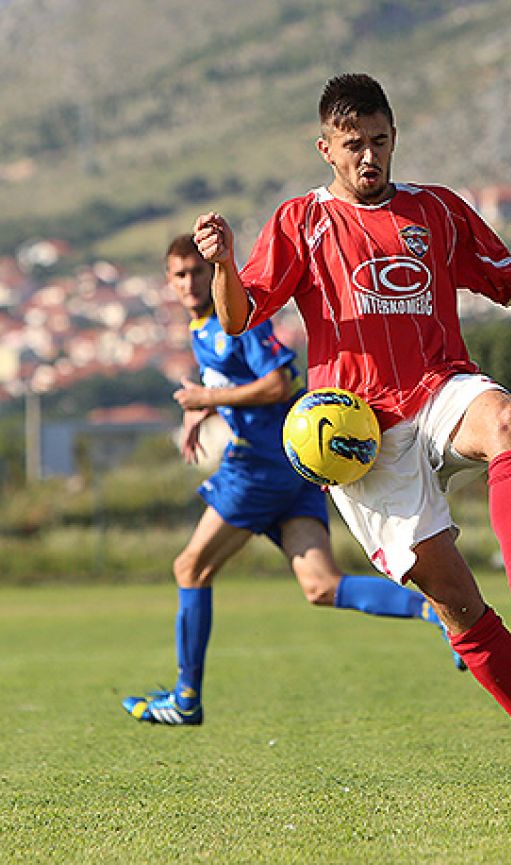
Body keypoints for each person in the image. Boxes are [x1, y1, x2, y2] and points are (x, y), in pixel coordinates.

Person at [193, 73, 511, 807]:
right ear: (326, 149)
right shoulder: (300, 221)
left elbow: (510, 286)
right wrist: (224, 262)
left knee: (506, 417)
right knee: (457, 609)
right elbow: (237, 317)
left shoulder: (437, 209)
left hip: (439, 387)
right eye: (353, 146)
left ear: (393, 136)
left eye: (380, 141)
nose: (369, 157)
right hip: (358, 439)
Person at [122, 234, 464, 729]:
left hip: (258, 468)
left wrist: (208, 401)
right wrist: (206, 406)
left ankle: (186, 697)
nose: (190, 282)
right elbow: (225, 382)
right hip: (294, 471)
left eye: (198, 271)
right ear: (169, 281)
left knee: (189, 568)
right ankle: (438, 613)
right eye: (180, 274)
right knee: (322, 586)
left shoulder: (233, 319)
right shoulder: (202, 328)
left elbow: (279, 383)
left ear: (212, 273)